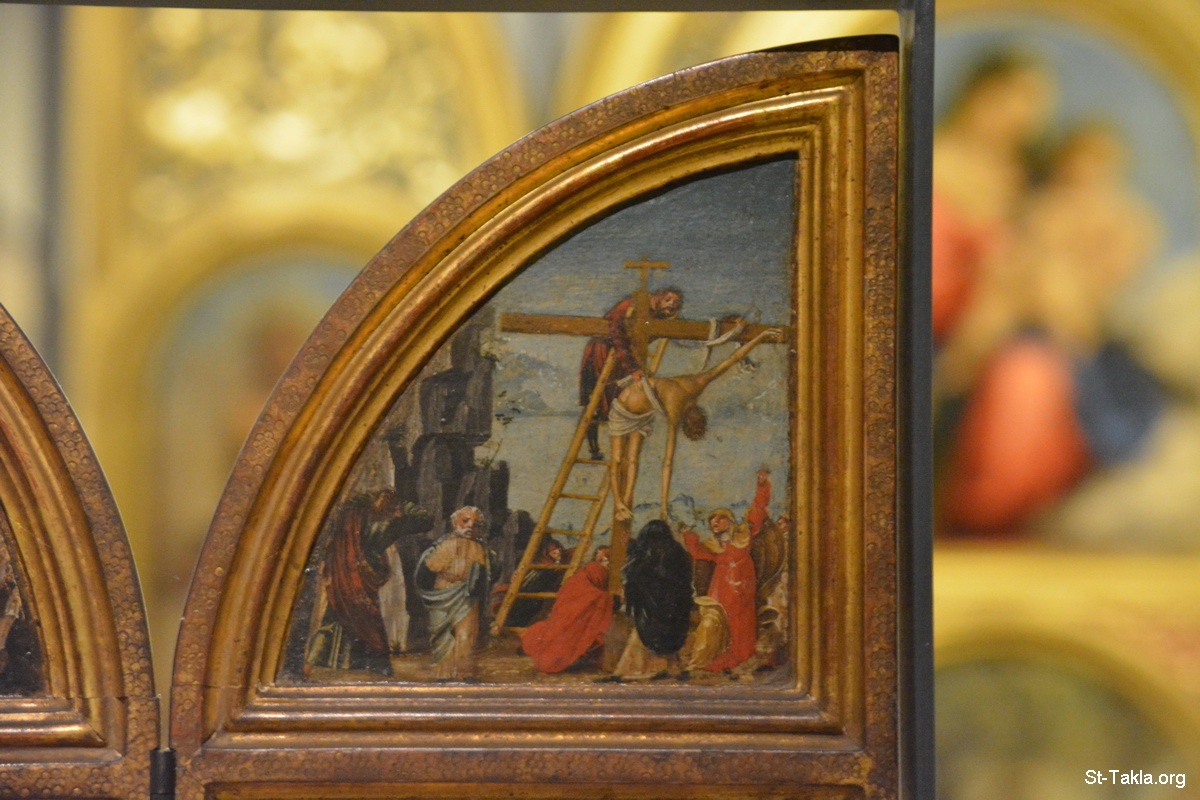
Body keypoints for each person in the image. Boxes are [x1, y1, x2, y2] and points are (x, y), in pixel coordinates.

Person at [608, 328, 783, 521]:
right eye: (698, 422)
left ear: (686, 422)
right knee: (618, 458)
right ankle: (618, 502)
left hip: (642, 414)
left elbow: (668, 462)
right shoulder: (697, 385)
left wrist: (664, 507)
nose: (695, 419)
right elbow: (732, 360)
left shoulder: (677, 409)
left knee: (632, 460)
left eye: (693, 424)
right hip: (624, 408)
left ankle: (623, 503)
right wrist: (760, 337)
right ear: (701, 415)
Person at [305, 490, 433, 676]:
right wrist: (405, 506)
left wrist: (372, 498)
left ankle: (318, 663)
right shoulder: (389, 525)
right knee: (359, 618)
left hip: (346, 572)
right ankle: (371, 665)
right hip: (360, 574)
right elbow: (425, 519)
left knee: (337, 615)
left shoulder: (353, 516)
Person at [681, 470, 771, 673]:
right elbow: (697, 552)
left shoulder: (742, 536)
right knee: (718, 621)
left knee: (740, 622)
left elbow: (757, 511)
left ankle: (741, 654)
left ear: (729, 521)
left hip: (742, 586)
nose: (714, 522)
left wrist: (762, 486)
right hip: (721, 589)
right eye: (712, 520)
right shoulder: (712, 545)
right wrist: (687, 535)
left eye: (719, 519)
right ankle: (717, 654)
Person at [580, 287, 683, 460]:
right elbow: (616, 334)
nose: (672, 304)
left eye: (676, 302)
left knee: (625, 401)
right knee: (597, 400)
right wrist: (631, 367)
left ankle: (622, 452)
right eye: (668, 300)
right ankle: (594, 449)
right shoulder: (631, 305)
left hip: (623, 358)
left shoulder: (657, 316)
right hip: (604, 353)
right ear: (657, 297)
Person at [416, 506, 498, 681]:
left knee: (466, 635)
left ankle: (464, 673)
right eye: (465, 521)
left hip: (466, 595)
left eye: (475, 524)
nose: (470, 526)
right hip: (442, 593)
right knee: (442, 635)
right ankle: (443, 674)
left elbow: (489, 574)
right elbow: (426, 570)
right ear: (454, 523)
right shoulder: (441, 545)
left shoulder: (481, 549)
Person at [611, 519, 693, 681]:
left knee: (646, 635)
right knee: (665, 635)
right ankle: (670, 667)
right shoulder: (678, 551)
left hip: (653, 608)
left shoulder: (648, 553)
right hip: (674, 608)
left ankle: (641, 670)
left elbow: (635, 574)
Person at [520, 547, 614, 674]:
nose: (605, 564)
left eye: (606, 560)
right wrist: (608, 597)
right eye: (602, 560)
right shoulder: (591, 590)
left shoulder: (576, 580)